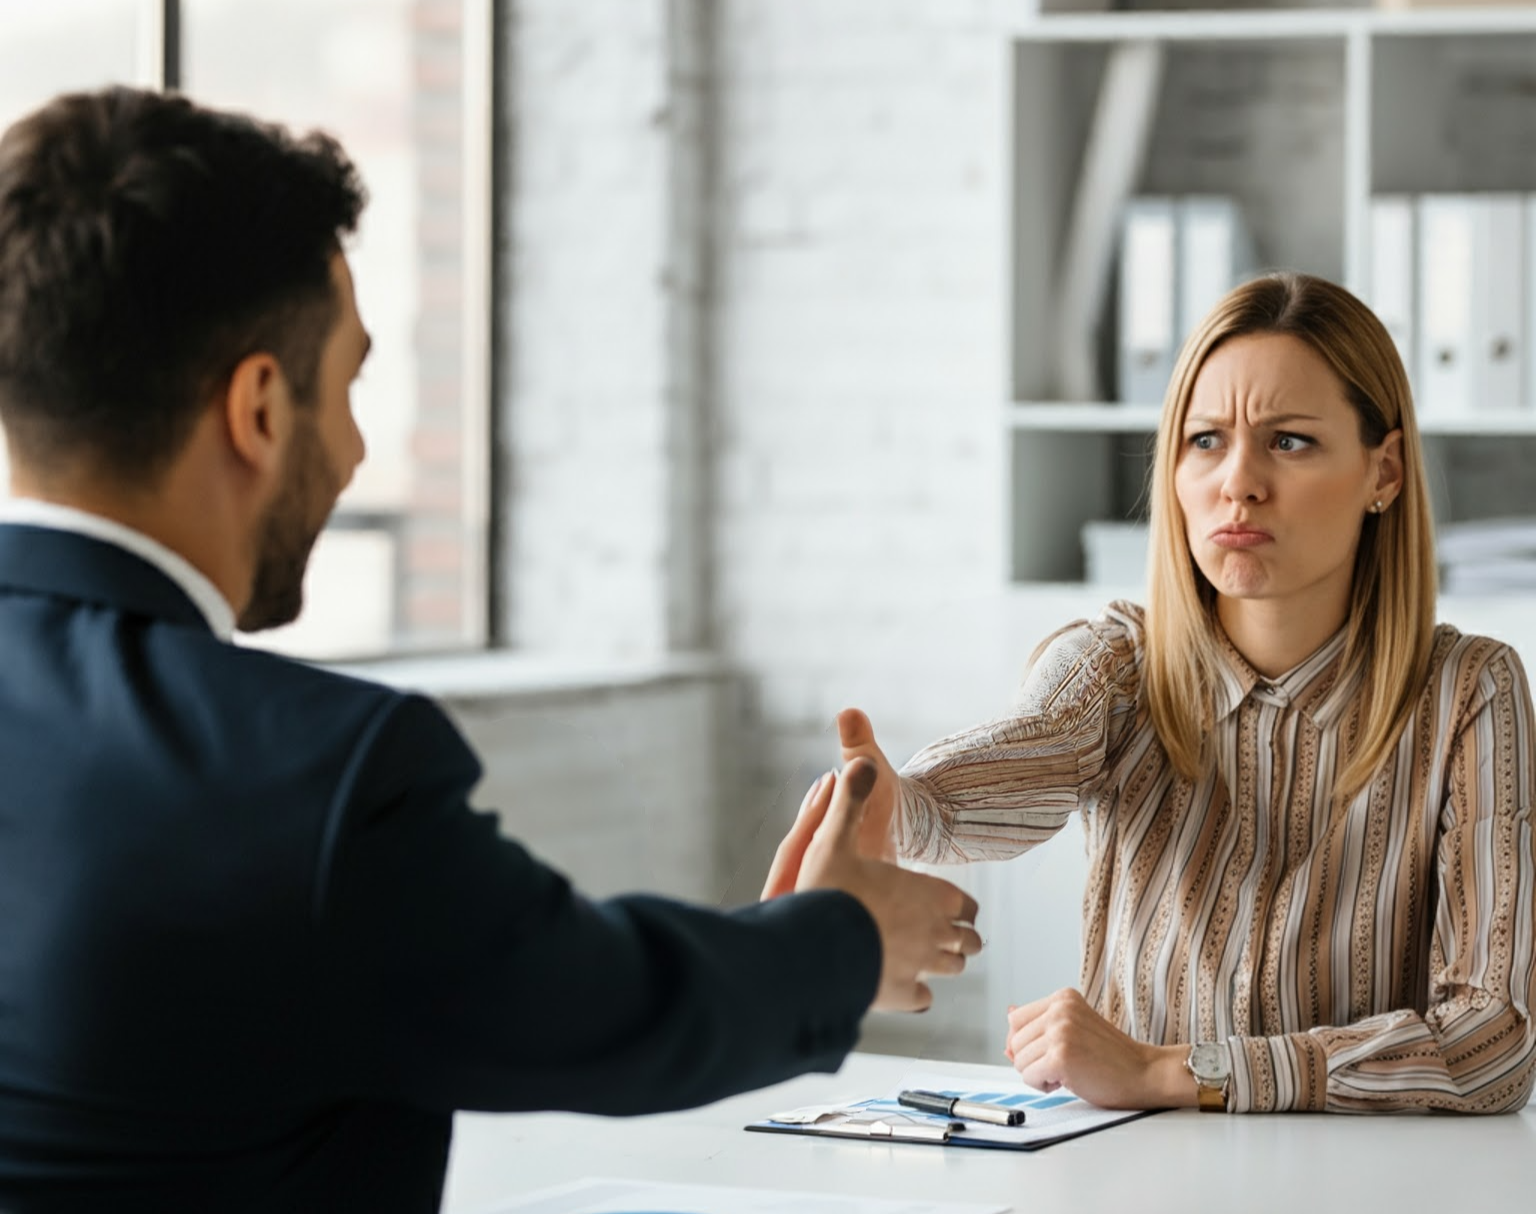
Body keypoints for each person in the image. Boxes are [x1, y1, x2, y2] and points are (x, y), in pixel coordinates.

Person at [0, 87, 983, 1212]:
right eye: (350, 383)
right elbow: (601, 1005)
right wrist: (844, 936)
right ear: (261, 408)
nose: (359, 448)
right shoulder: (306, 775)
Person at [785, 271, 1536, 1115]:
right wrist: (891, 804)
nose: (1238, 482)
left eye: (1289, 441)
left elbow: (1493, 1039)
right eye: (1205, 439)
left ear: (1384, 471)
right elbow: (1017, 757)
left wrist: (1173, 1072)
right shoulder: (1111, 667)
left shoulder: (1469, 691)